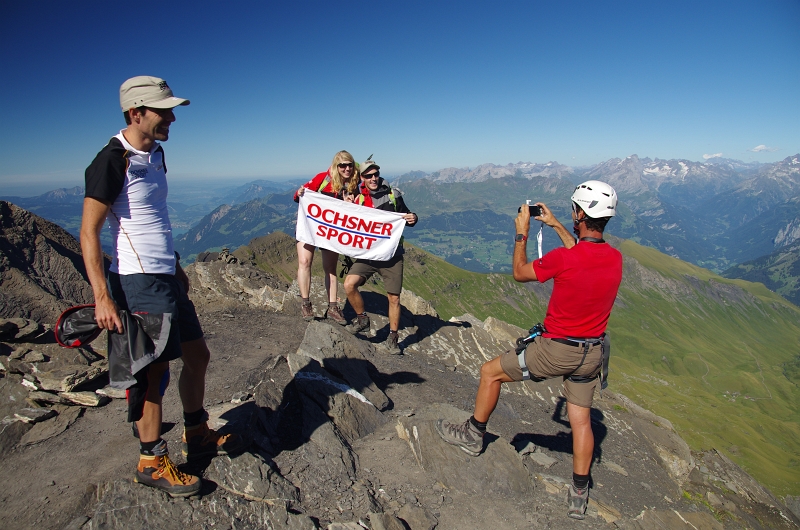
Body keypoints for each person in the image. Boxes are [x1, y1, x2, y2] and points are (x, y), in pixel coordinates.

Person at [81, 76, 246, 498]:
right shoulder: (110, 160)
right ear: (136, 113)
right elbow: (89, 232)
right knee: (152, 371)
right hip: (138, 280)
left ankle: (197, 432)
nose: (172, 117)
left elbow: (152, 216)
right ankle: (151, 460)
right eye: (163, 110)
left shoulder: (156, 154)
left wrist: (174, 264)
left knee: (198, 355)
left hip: (165, 276)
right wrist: (102, 295)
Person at [435, 181, 622, 520]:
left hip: (556, 350)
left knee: (489, 373)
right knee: (581, 420)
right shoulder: (614, 258)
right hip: (592, 354)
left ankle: (472, 435)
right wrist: (555, 225)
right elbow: (582, 251)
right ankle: (579, 494)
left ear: (580, 212)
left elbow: (521, 274)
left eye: (573, 210)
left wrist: (521, 233)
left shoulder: (564, 259)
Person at [343, 158, 418, 354]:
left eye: (376, 174)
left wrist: (413, 218)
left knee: (394, 298)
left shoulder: (393, 195)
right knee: (349, 284)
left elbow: (407, 216)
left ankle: (393, 338)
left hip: (392, 256)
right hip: (368, 255)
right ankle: (362, 320)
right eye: (369, 176)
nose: (373, 178)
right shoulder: (357, 198)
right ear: (362, 178)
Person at [293, 151, 359, 324]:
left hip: (331, 232)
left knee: (330, 268)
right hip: (310, 227)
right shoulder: (324, 179)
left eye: (349, 165)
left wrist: (351, 204)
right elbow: (298, 195)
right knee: (304, 262)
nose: (346, 168)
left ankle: (332, 308)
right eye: (342, 165)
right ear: (336, 166)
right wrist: (299, 193)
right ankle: (306, 304)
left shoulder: (353, 185)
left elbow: (358, 211)